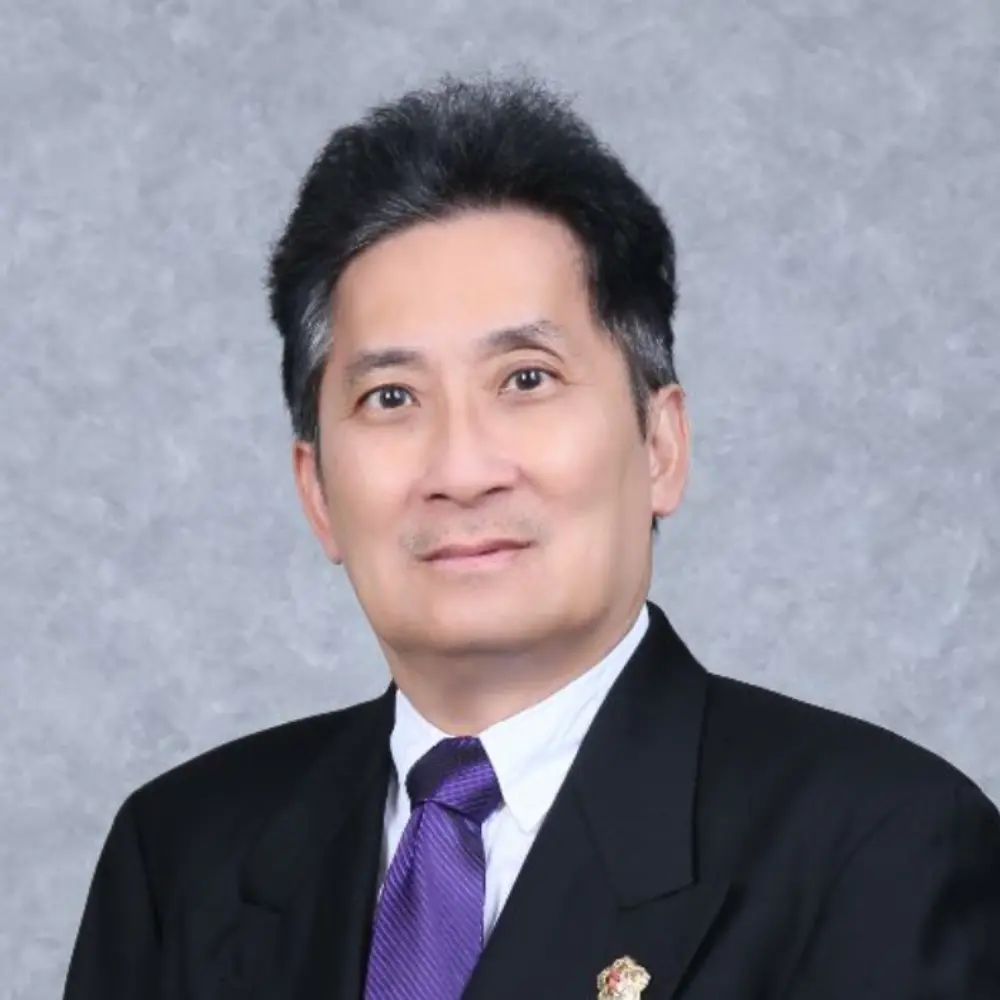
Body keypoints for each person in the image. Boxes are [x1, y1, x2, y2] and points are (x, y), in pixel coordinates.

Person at [63, 74, 1000, 1000]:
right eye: (391, 397)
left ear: (660, 445)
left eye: (526, 379)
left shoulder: (883, 848)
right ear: (317, 491)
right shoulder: (181, 858)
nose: (462, 468)